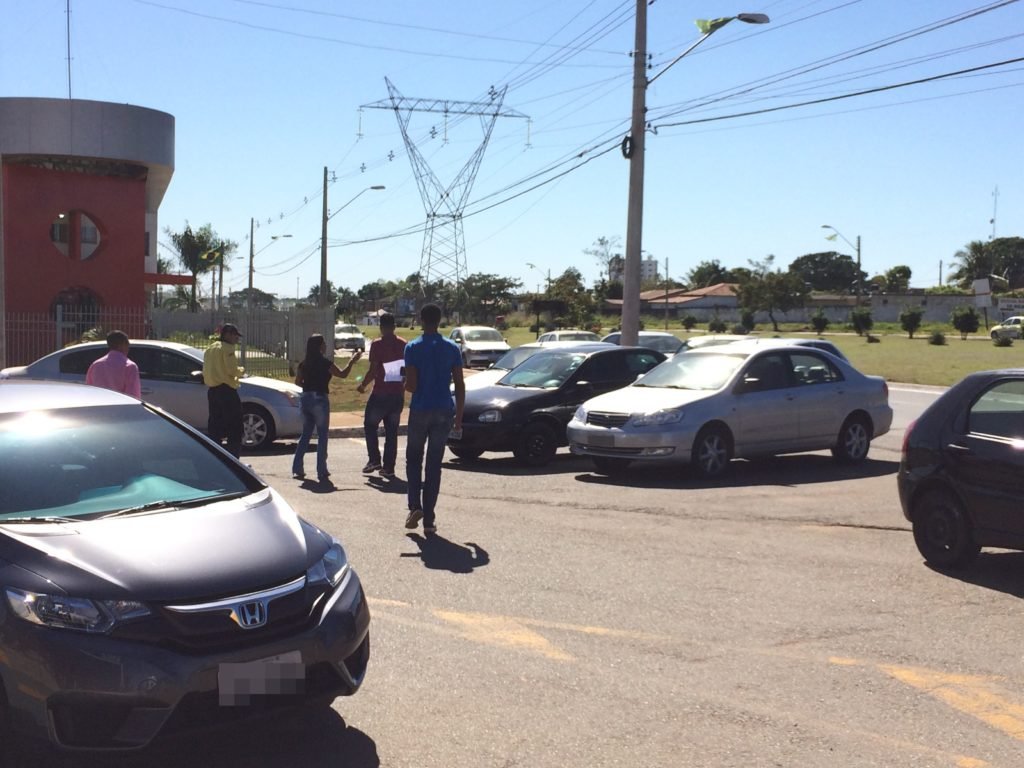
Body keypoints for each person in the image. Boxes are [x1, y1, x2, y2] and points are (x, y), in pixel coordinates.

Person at [403, 303, 465, 534]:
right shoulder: (452, 348)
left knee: (413, 459)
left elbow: (412, 385)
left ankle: (414, 506)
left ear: (421, 320)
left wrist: (404, 383)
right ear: (440, 321)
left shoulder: (413, 347)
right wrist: (458, 418)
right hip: (444, 410)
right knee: (433, 464)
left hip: (420, 408)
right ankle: (429, 518)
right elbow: (459, 384)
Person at [292, 333, 361, 483]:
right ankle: (321, 470)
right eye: (323, 343)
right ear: (319, 346)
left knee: (306, 434)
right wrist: (351, 362)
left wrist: (308, 387)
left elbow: (297, 381)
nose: (325, 345)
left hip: (305, 398)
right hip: (320, 399)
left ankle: (297, 468)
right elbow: (343, 374)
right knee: (322, 435)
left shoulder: (304, 364)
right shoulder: (325, 363)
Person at [356, 312, 406, 477]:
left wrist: (363, 385)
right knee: (392, 432)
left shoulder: (377, 345)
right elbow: (405, 370)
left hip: (381, 393)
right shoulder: (403, 344)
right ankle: (389, 467)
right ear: (394, 326)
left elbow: (373, 370)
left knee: (370, 425)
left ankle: (374, 459)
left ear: (381, 327)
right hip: (397, 393)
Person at [203, 323, 245, 458]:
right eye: (235, 336)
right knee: (235, 427)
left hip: (212, 391)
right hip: (226, 391)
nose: (236, 339)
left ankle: (216, 458)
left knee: (215, 427)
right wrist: (241, 371)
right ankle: (234, 459)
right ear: (227, 335)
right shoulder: (227, 348)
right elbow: (231, 370)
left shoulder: (210, 348)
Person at [85, 330, 141, 399]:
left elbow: (89, 392)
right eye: (128, 345)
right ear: (123, 344)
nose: (128, 348)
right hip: (120, 408)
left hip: (99, 407)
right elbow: (133, 397)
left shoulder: (95, 365)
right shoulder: (130, 366)